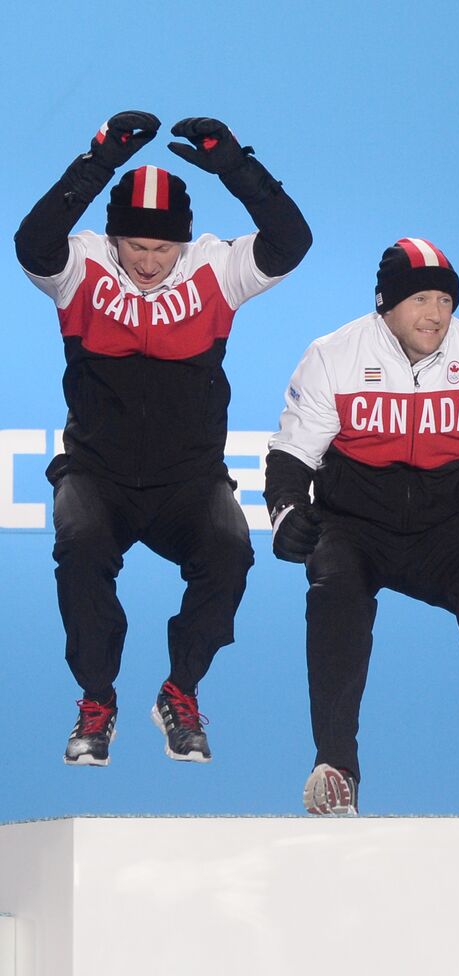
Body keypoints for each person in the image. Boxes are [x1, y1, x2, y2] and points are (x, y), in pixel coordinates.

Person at [14, 111, 312, 767]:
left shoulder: (216, 267)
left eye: (162, 250)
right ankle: (97, 702)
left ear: (183, 244)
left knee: (232, 552)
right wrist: (97, 162)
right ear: (113, 237)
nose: (148, 263)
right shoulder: (81, 264)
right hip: (98, 476)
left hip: (190, 482)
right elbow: (34, 242)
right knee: (82, 544)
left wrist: (238, 167)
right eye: (135, 247)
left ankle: (181, 693)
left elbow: (290, 240)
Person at [265, 238, 459, 815]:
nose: (436, 315)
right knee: (335, 595)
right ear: (386, 305)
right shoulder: (334, 354)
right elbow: (292, 453)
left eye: (445, 300)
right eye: (420, 299)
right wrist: (288, 512)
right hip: (352, 526)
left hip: (445, 526)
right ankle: (335, 768)